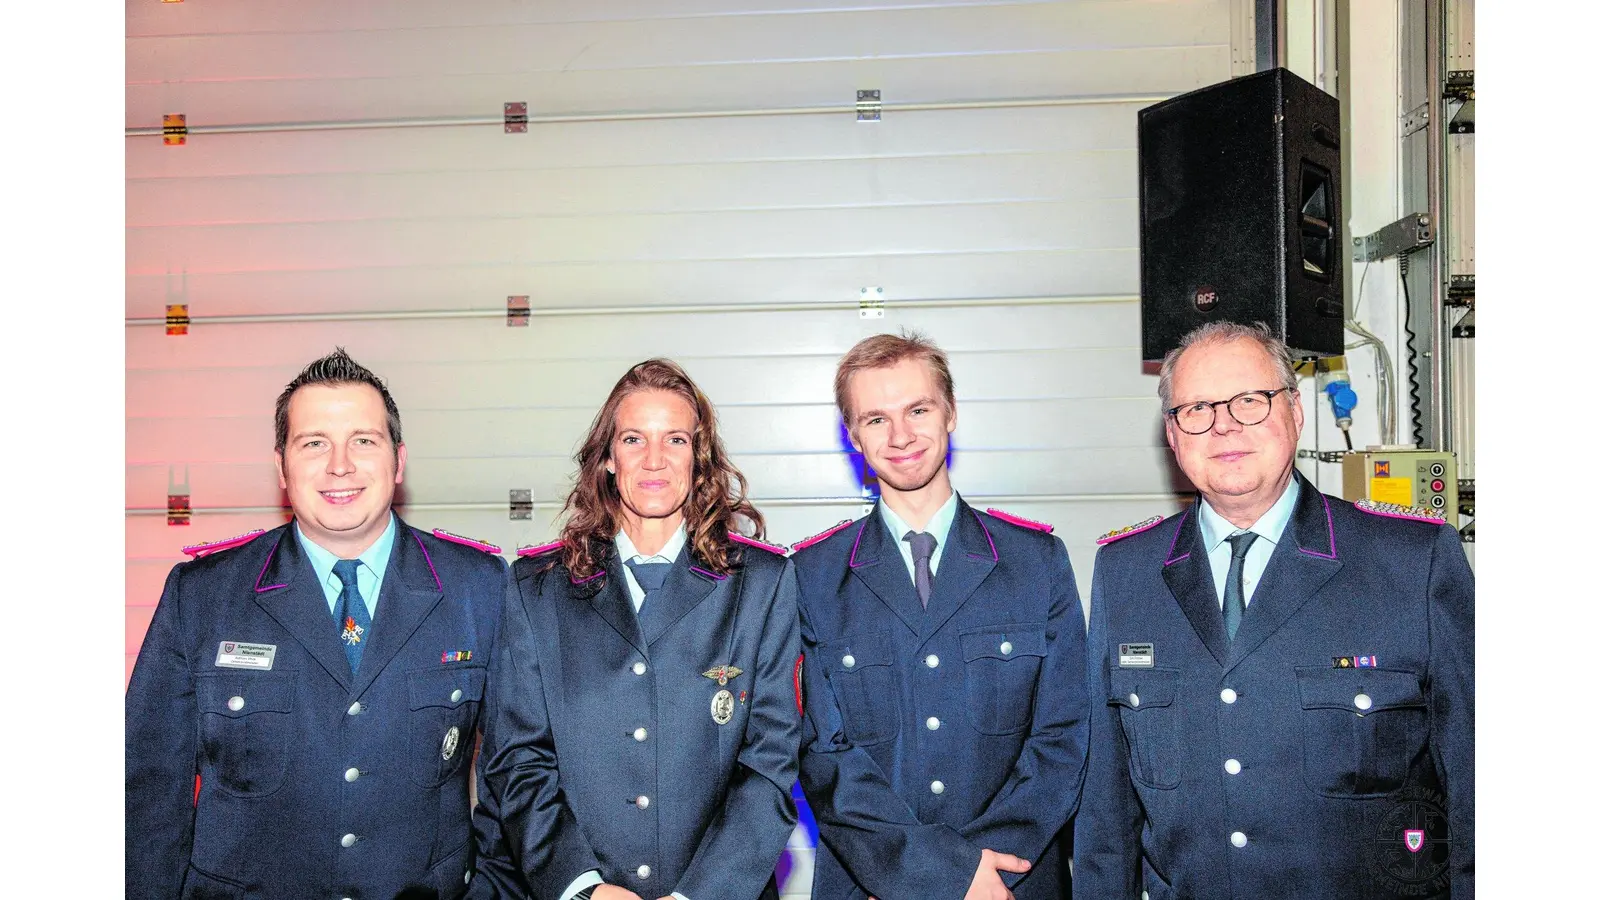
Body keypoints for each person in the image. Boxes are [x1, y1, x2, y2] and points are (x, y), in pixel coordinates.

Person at [1072, 321, 1474, 899]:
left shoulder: (1411, 562)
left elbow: (1476, 781)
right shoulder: (1126, 570)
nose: (1225, 425)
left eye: (1249, 401)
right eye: (1197, 409)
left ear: (1294, 410)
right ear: (1172, 434)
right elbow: (1106, 807)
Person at [126, 349, 508, 900]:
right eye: (313, 444)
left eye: (363, 441)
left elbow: (514, 769)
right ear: (281, 466)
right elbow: (146, 791)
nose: (340, 466)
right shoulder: (203, 594)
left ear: (398, 462)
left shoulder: (479, 588)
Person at [468, 359, 800, 900]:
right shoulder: (536, 589)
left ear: (700, 459)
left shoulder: (761, 585)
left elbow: (771, 764)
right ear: (606, 459)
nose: (654, 460)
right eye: (632, 439)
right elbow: (516, 760)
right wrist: (583, 889)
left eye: (675, 439)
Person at [793, 330, 1089, 900]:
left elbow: (1064, 735)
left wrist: (985, 871)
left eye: (918, 409)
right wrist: (935, 873)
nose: (901, 435)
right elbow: (820, 753)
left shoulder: (1035, 562)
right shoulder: (811, 576)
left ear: (950, 413)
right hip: (871, 885)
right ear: (852, 434)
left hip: (1010, 882)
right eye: (875, 419)